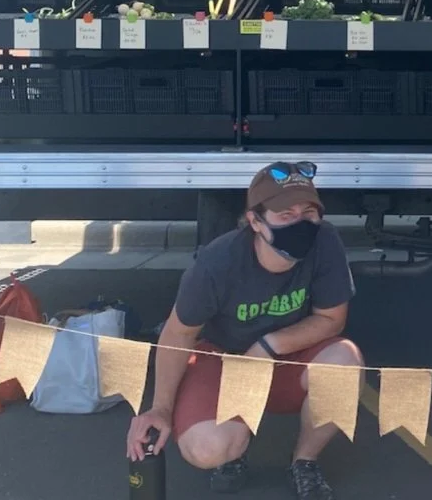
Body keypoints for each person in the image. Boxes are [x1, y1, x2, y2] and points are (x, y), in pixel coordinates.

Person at [125, 161, 364, 500]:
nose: (301, 223)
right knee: (207, 448)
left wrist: (269, 344)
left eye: (308, 213)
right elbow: (178, 334)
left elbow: (332, 319)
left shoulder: (325, 242)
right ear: (255, 221)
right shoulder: (216, 262)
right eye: (285, 215)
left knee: (345, 361)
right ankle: (233, 451)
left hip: (284, 359)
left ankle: (304, 462)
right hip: (223, 360)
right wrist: (159, 408)